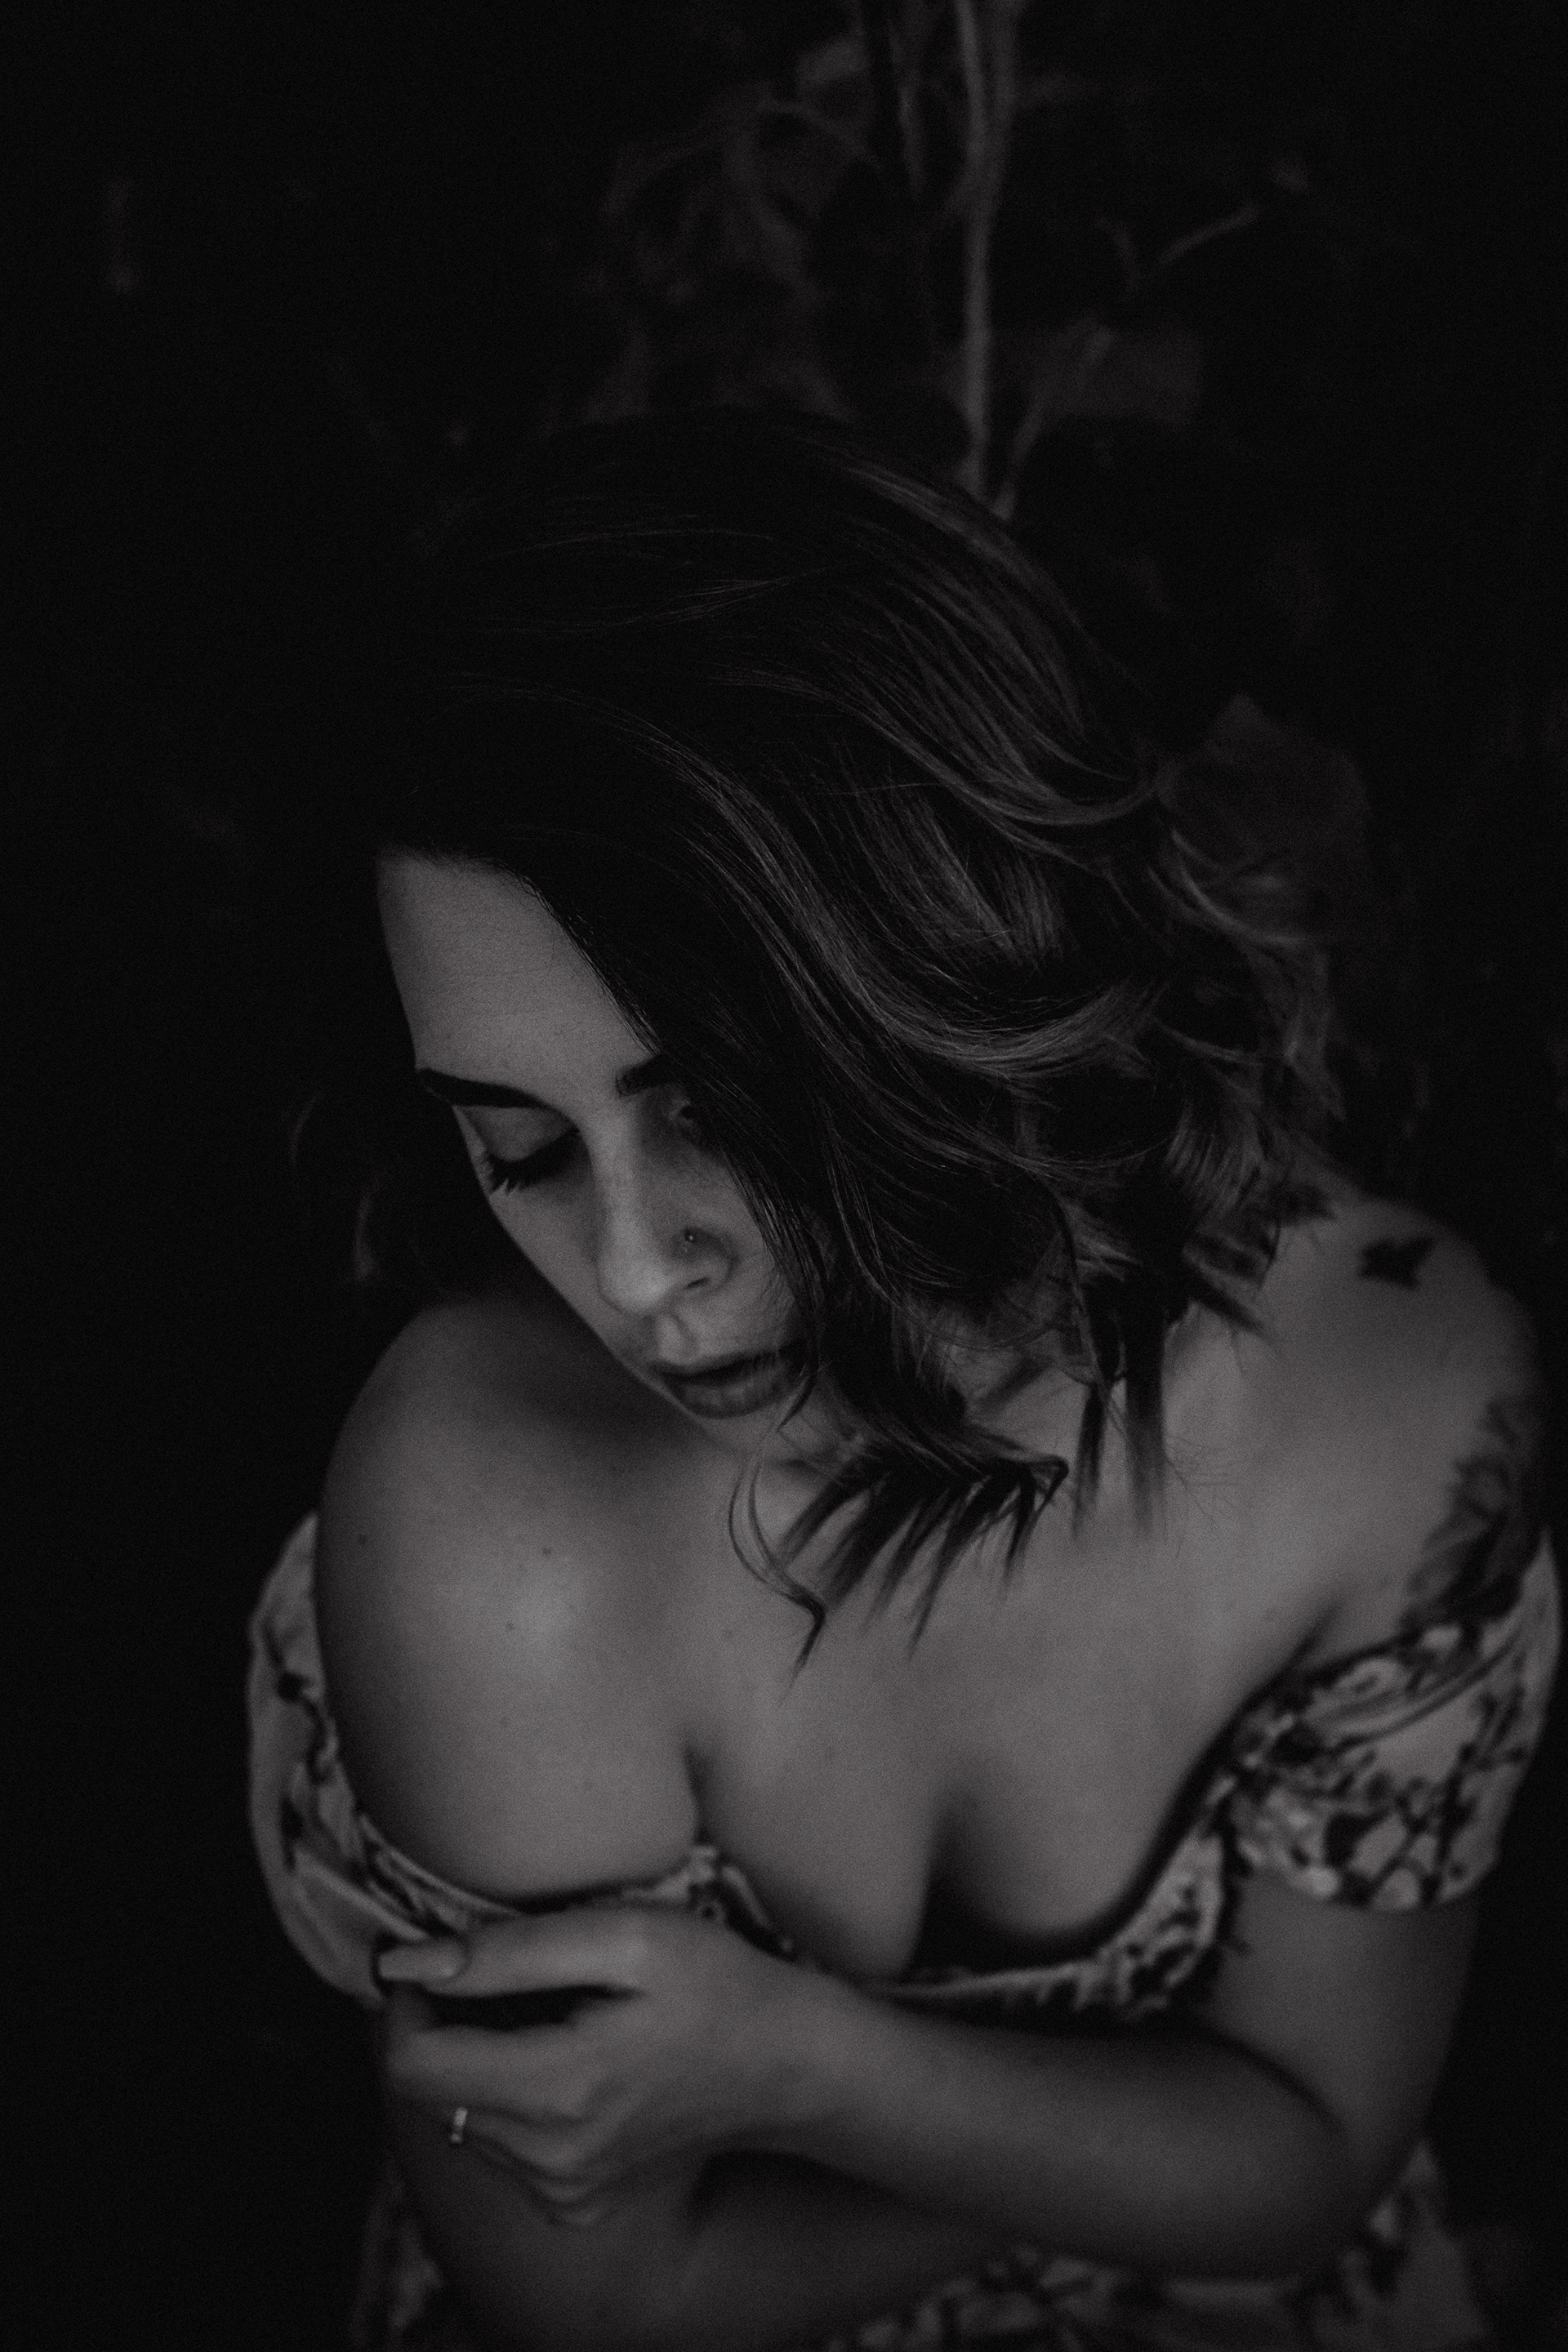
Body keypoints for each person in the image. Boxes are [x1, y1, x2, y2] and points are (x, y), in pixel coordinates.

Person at [248, 408, 1558, 2352]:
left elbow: (1313, 2163)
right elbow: (607, 2303)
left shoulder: (1394, 1406)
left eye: (715, 1104)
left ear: (966, 975)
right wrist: (1153, 2128)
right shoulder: (493, 1526)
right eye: (520, 1147)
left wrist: (798, 2066)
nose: (632, 1270)